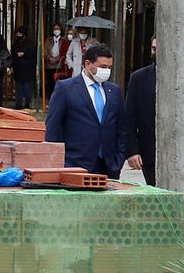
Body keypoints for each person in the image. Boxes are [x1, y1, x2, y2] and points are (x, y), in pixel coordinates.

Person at [45, 42, 126, 179]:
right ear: (88, 64)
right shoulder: (66, 89)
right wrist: (58, 162)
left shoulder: (114, 91)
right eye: (103, 67)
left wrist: (118, 159)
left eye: (109, 67)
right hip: (75, 164)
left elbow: (121, 128)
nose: (106, 71)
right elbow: (53, 127)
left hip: (108, 166)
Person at [124, 36, 158, 185]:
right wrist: (132, 150)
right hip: (149, 153)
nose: (154, 53)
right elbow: (130, 118)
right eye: (153, 49)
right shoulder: (139, 78)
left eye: (158, 49)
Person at [10, 27, 37, 109]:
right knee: (19, 88)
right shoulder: (15, 43)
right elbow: (13, 55)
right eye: (17, 34)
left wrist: (24, 54)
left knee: (27, 88)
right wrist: (12, 66)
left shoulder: (30, 43)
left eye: (20, 34)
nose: (19, 35)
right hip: (18, 69)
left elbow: (33, 54)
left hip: (28, 69)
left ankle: (27, 104)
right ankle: (19, 103)